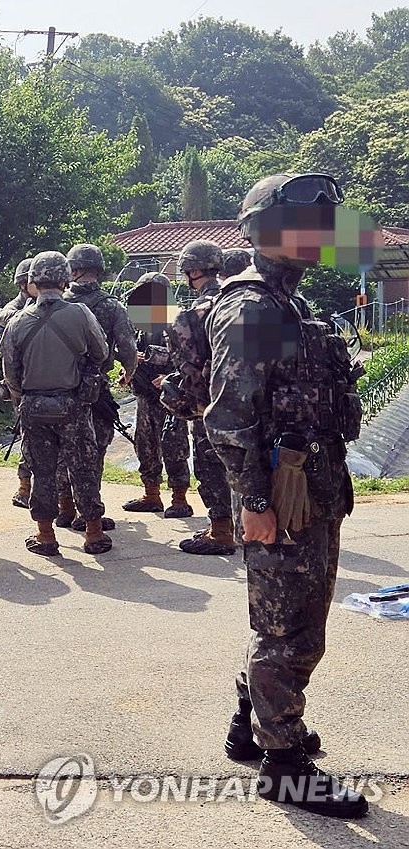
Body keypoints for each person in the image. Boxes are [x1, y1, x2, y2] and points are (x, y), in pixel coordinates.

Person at [204, 173, 366, 817]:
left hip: (308, 486)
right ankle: (284, 762)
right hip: (282, 493)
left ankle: (254, 725)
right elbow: (229, 416)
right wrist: (255, 500)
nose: (315, 237)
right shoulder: (258, 309)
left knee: (282, 619)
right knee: (292, 631)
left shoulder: (286, 303)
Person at [2, 251, 111, 556]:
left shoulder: (16, 322)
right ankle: (93, 533)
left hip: (34, 408)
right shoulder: (81, 314)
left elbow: (11, 375)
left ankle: (45, 536)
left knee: (42, 472)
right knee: (83, 469)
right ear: (65, 279)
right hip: (72, 406)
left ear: (33, 281)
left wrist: (27, 396)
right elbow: (100, 352)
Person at [158, 240, 236, 555]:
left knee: (210, 464)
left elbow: (187, 365)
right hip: (254, 406)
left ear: (192, 271)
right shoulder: (245, 303)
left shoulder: (194, 314)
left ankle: (220, 531)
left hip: (213, 406)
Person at [59, 243, 137, 531]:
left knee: (61, 450)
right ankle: (88, 510)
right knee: (94, 452)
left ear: (73, 270)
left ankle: (64, 506)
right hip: (96, 391)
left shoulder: (56, 303)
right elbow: (127, 347)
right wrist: (129, 372)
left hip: (60, 390)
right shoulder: (112, 305)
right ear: (98, 271)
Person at [121, 273, 193, 518]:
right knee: (145, 446)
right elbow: (137, 353)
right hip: (145, 397)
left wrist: (168, 377)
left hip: (170, 398)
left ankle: (179, 498)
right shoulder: (145, 325)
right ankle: (151, 494)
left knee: (174, 447)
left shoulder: (178, 322)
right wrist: (129, 371)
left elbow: (186, 360)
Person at [0, 256, 34, 508]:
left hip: (48, 381)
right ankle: (25, 486)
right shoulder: (12, 309)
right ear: (23, 284)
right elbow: (3, 350)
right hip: (22, 385)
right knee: (28, 436)